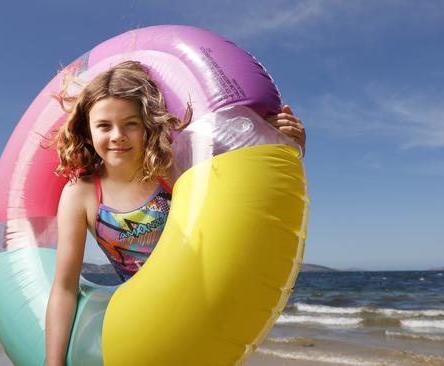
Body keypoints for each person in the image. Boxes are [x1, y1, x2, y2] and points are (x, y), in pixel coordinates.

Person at [44, 61, 306, 365]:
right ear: (87, 130)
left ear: (146, 125)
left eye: (130, 123)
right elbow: (64, 287)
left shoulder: (168, 167)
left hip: (203, 299)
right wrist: (54, 361)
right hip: (147, 318)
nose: (117, 135)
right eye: (104, 125)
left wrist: (284, 142)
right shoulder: (82, 194)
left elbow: (245, 199)